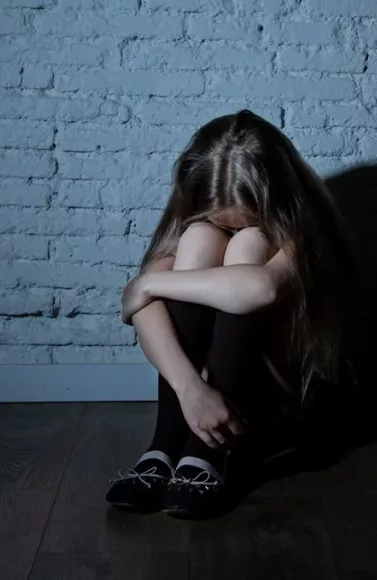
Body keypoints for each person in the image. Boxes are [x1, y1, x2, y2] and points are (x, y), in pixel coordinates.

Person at [105, 109, 357, 519]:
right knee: (198, 239)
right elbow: (145, 312)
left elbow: (261, 289)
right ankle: (166, 446)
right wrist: (190, 388)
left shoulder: (306, 230)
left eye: (247, 220)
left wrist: (148, 284)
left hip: (277, 394)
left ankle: (207, 454)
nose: (233, 230)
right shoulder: (195, 224)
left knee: (249, 248)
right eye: (224, 222)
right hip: (201, 397)